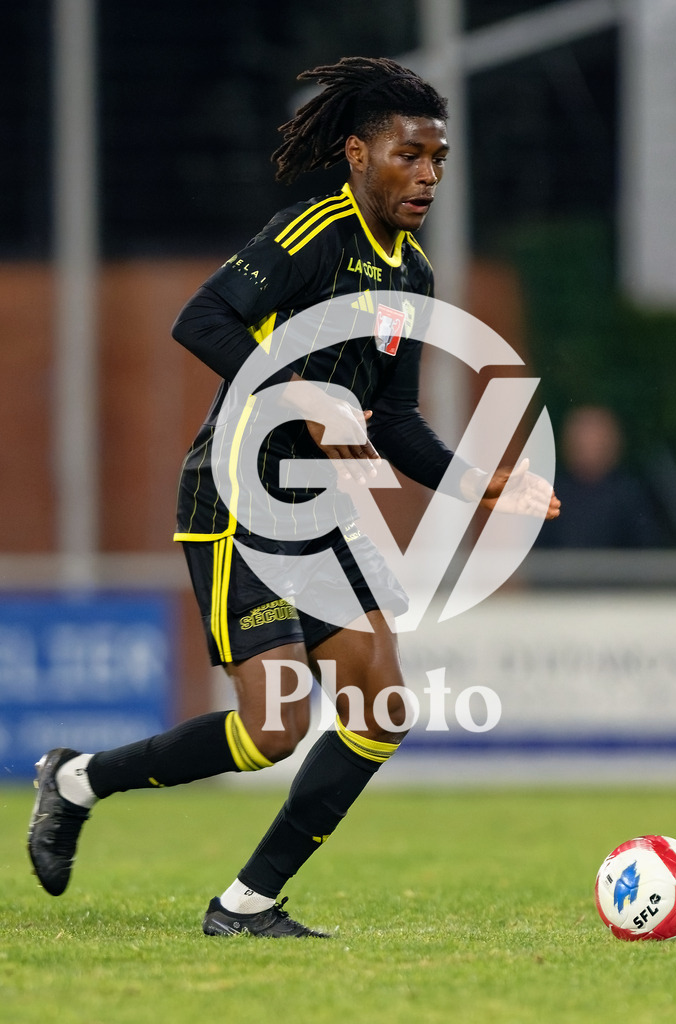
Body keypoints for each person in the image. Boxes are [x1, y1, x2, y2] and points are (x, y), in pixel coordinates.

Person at [28, 56, 560, 939]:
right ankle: (76, 780)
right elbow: (200, 319)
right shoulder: (313, 233)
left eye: (438, 158)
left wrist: (476, 480)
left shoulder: (413, 275)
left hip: (322, 507)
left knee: (381, 705)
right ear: (357, 154)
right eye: (408, 154)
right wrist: (295, 395)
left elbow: (390, 415)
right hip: (238, 494)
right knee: (272, 731)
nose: (427, 173)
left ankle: (246, 904)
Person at [537, 404, 660, 548]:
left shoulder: (629, 495)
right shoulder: (549, 493)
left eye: (594, 435)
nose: (587, 442)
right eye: (581, 434)